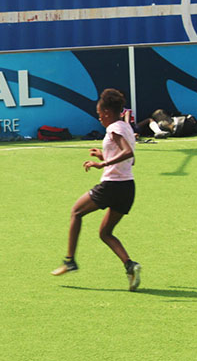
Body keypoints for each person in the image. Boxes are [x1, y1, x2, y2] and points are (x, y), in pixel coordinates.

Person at [51, 88, 141, 291]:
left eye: (100, 115)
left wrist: (103, 163)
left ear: (107, 112)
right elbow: (131, 160)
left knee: (76, 212)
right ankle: (130, 265)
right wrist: (104, 155)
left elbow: (127, 153)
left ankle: (70, 260)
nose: (99, 118)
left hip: (112, 186)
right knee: (105, 233)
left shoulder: (113, 129)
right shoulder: (126, 127)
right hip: (128, 187)